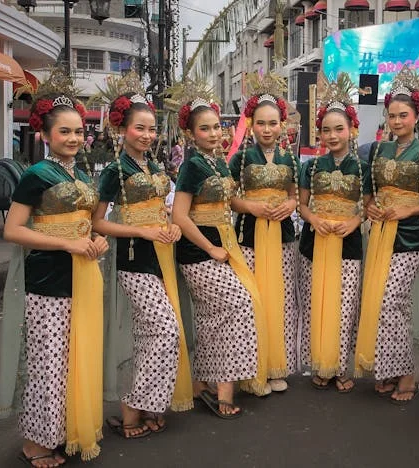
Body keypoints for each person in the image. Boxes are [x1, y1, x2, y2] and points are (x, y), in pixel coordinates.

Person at [0, 91, 108, 465]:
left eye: (79, 131)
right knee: (48, 363)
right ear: (45, 135)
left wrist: (98, 241)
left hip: (84, 274)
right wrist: (67, 244)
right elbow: (13, 230)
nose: (74, 138)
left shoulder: (82, 174)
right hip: (48, 279)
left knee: (76, 357)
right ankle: (35, 443)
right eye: (65, 132)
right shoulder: (35, 175)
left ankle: (62, 432)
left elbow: (89, 225)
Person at [92, 91, 193, 439]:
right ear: (122, 129)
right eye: (140, 128)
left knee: (151, 334)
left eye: (152, 129)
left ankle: (145, 407)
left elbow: (162, 207)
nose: (148, 135)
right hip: (132, 259)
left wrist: (172, 224)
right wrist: (141, 230)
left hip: (160, 255)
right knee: (165, 330)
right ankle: (134, 405)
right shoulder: (115, 170)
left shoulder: (155, 166)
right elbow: (97, 222)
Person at [171, 83, 270, 419]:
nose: (214, 134)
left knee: (214, 317)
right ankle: (224, 391)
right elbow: (180, 216)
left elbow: (229, 201)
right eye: (205, 129)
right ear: (190, 134)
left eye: (217, 127)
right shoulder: (192, 166)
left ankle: (204, 381)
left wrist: (256, 207)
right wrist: (210, 247)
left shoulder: (218, 163)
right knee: (239, 303)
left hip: (224, 244)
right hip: (199, 252)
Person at [353, 66, 419, 404]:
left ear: (417, 116)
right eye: (392, 115)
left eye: (403, 115)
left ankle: (405, 373)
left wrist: (411, 209)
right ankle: (388, 368)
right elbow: (367, 190)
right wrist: (370, 206)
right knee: (379, 301)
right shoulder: (377, 150)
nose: (397, 121)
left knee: (393, 301)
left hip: (412, 236)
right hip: (380, 233)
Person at [298, 73, 372, 393]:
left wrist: (354, 222)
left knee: (344, 307)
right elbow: (301, 205)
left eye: (338, 129)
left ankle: (341, 366)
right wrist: (314, 219)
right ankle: (320, 364)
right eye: (326, 130)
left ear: (351, 129)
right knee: (317, 305)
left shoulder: (363, 168)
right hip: (314, 243)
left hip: (348, 243)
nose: (332, 135)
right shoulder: (311, 167)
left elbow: (367, 206)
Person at [229, 72, 300, 393]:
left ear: (282, 124)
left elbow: (296, 195)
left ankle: (274, 367)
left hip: (283, 236)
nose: (267, 129)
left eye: (273, 123)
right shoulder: (240, 158)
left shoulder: (290, 159)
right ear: (251, 124)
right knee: (252, 299)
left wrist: (290, 204)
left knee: (280, 300)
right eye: (261, 123)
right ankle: (251, 370)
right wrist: (250, 207)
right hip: (248, 236)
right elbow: (229, 198)